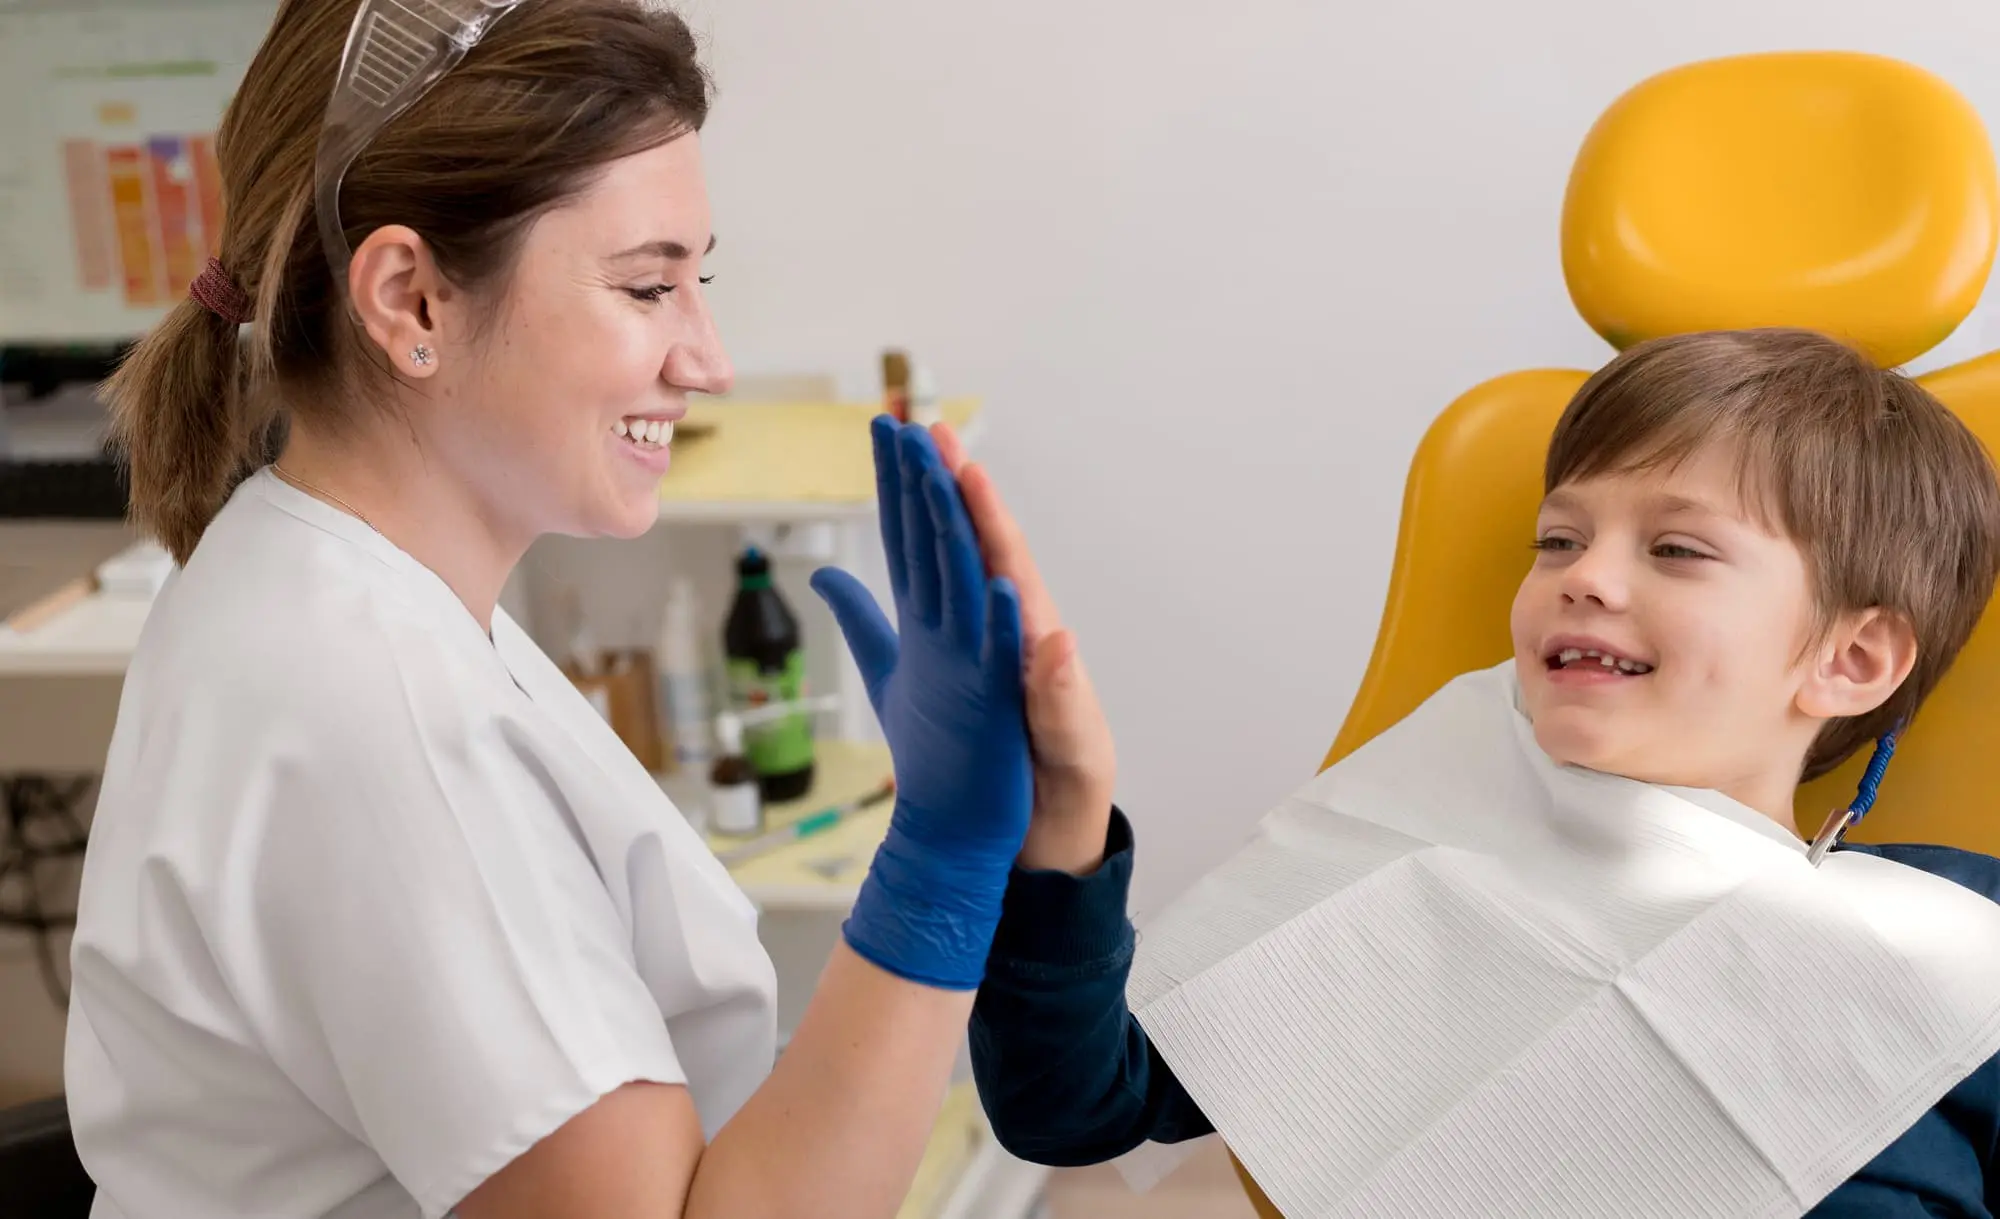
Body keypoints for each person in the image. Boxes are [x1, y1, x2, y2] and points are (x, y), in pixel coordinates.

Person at [66, 3, 1035, 1217]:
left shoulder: (319, 572)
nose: (707, 359)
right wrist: (939, 873)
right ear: (411, 300)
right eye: (646, 288)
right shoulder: (382, 713)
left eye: (701, 281)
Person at [884, 329, 2000, 1215]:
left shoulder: (1955, 930)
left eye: (1674, 548)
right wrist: (1061, 822)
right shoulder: (1428, 820)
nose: (1584, 577)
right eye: (1555, 540)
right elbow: (1074, 1106)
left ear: (1850, 659)